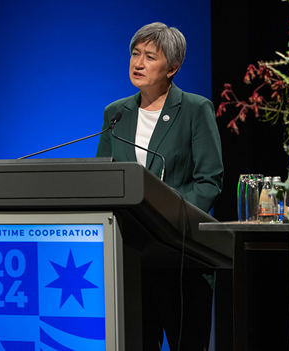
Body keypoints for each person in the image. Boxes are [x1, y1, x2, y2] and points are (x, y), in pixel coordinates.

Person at [96, 22, 224, 350]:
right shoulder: (116, 114)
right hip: (129, 256)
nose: (138, 63)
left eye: (150, 56)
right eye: (135, 54)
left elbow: (209, 180)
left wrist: (168, 217)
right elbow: (102, 179)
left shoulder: (195, 109)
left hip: (180, 255)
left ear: (172, 68)